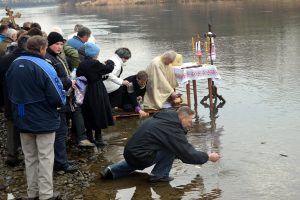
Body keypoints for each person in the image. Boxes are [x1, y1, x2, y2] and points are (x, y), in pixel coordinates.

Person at [6, 35, 66, 200]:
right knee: (45, 157)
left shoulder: (14, 64)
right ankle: (46, 194)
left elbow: (9, 91)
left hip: (22, 117)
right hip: (44, 118)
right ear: (42, 49)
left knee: (30, 157)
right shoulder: (44, 66)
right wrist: (63, 101)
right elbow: (57, 97)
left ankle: (32, 193)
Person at [100, 106, 220, 182]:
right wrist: (208, 157)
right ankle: (159, 175)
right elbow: (186, 152)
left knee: (141, 155)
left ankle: (111, 170)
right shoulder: (171, 128)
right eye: (189, 121)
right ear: (182, 118)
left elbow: (181, 152)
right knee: (171, 149)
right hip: (141, 156)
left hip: (130, 152)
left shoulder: (161, 119)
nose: (191, 124)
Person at [76, 42, 115, 147]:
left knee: (88, 112)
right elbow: (108, 69)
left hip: (85, 90)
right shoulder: (95, 63)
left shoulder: (81, 64)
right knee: (99, 111)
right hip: (97, 90)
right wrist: (110, 62)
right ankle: (98, 138)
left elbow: (82, 75)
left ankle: (89, 137)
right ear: (94, 54)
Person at [0, 35, 29, 166]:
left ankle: (12, 155)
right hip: (24, 101)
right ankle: (27, 153)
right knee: (24, 125)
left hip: (9, 99)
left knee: (11, 125)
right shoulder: (28, 60)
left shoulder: (5, 59)